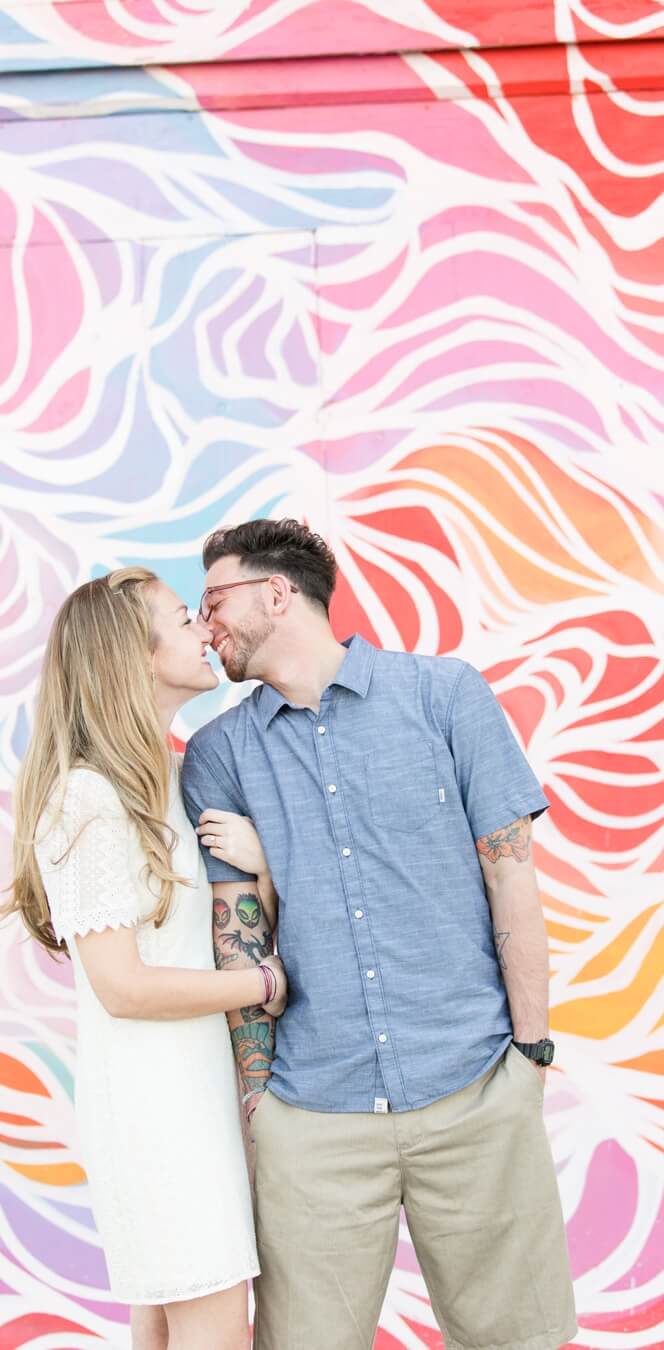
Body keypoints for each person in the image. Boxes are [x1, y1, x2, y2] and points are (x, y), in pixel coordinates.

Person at [181, 518, 577, 1350]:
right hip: (312, 1113)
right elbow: (238, 942)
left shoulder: (444, 695)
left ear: (277, 593)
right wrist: (262, 1110)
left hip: (475, 1086)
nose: (203, 621)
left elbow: (512, 875)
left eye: (215, 598)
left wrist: (531, 1055)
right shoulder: (219, 753)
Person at [2, 567, 288, 1350]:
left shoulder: (167, 777)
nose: (205, 628)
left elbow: (197, 927)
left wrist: (260, 867)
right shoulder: (88, 798)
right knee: (211, 1319)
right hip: (156, 1106)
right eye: (182, 616)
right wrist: (260, 984)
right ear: (131, 653)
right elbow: (121, 985)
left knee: (171, 1320)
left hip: (198, 1091)